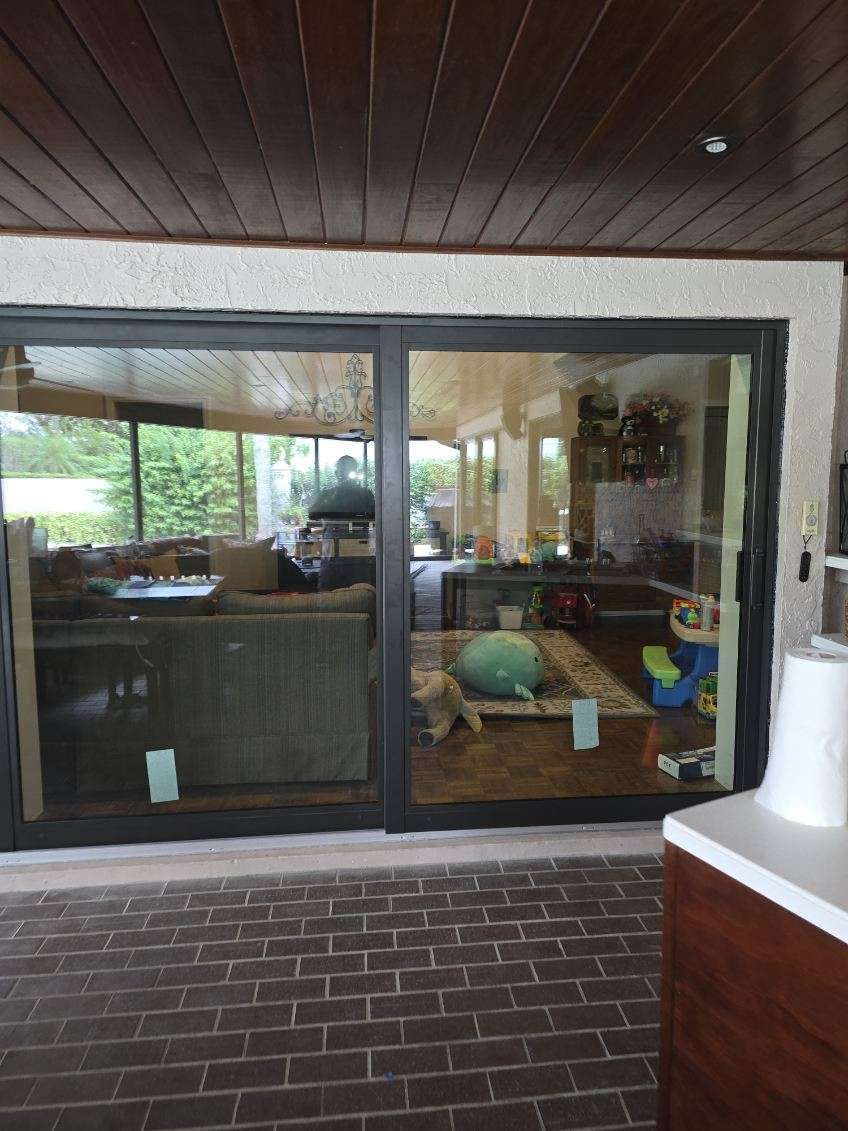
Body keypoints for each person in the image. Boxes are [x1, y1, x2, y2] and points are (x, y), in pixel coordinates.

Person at [309, 454, 375, 519]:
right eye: (343, 471)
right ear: (337, 473)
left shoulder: (366, 494)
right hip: (334, 529)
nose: (346, 474)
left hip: (361, 529)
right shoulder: (328, 494)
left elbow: (376, 515)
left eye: (350, 469)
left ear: (356, 473)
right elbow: (312, 515)